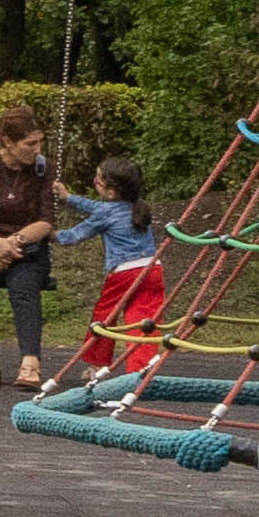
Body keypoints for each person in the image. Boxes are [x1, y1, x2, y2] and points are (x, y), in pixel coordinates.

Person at [0, 103, 64, 389]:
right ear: (8, 141)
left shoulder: (43, 170)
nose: (37, 149)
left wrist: (13, 242)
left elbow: (46, 222)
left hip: (26, 245)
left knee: (25, 286)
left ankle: (31, 362)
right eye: (31, 143)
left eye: (40, 142)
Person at [65, 150, 168, 378]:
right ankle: (141, 368)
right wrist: (68, 198)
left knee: (105, 316)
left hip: (124, 272)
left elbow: (74, 236)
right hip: (153, 269)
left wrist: (49, 234)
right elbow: (96, 206)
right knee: (144, 318)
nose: (94, 182)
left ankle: (97, 364)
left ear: (111, 192)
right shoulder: (136, 206)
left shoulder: (105, 213)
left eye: (98, 181)